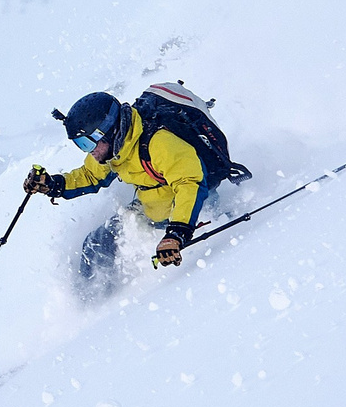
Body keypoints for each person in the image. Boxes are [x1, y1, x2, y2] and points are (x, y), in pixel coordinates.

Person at [24, 90, 222, 282]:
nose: (88, 151)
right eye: (81, 144)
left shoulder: (159, 143)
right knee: (94, 245)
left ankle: (124, 300)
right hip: (151, 210)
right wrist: (52, 185)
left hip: (190, 214)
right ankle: (87, 299)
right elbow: (90, 175)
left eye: (87, 143)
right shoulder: (114, 149)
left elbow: (189, 184)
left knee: (110, 249)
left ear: (108, 132)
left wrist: (177, 233)